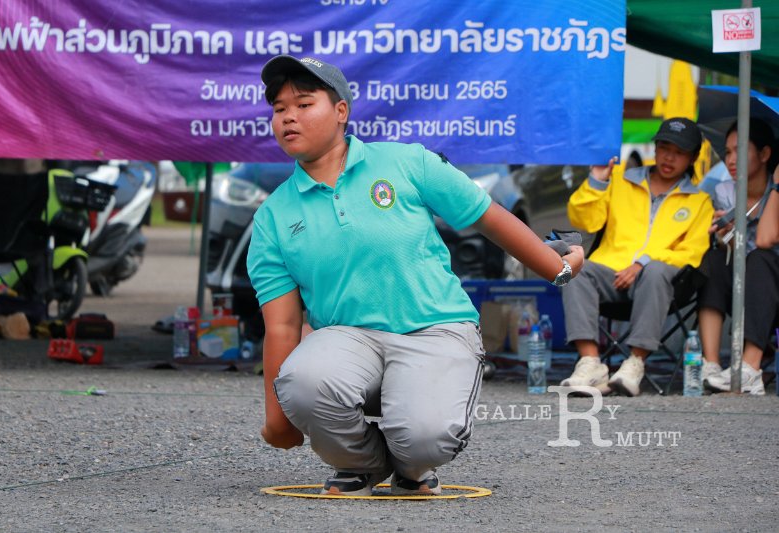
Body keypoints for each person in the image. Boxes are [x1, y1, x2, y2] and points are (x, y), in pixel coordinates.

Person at [247, 55, 585, 496]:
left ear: (341, 112)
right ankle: (361, 463)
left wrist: (557, 267)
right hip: (347, 338)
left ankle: (412, 464)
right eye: (278, 108)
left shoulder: (407, 163)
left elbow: (488, 216)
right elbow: (284, 326)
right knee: (303, 383)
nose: (288, 116)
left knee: (425, 437)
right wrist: (278, 422)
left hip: (436, 330)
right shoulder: (273, 215)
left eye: (304, 103)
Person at [560, 117, 714, 397]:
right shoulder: (621, 181)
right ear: (654, 148)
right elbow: (585, 220)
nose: (669, 157)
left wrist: (643, 262)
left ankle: (635, 363)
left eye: (679, 152)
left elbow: (692, 252)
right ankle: (590, 362)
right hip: (612, 273)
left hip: (662, 283)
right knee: (574, 268)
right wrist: (596, 180)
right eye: (664, 147)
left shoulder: (699, 201)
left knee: (654, 271)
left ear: (692, 158)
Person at [700, 118, 779, 395]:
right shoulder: (724, 192)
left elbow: (766, 239)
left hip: (773, 286)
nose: (731, 160)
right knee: (713, 262)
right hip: (744, 287)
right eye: (728, 151)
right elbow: (733, 255)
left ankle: (750, 367)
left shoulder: (776, 189)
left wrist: (777, 187)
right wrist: (727, 237)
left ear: (766, 154)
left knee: (761, 258)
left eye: (739, 151)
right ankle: (710, 365)